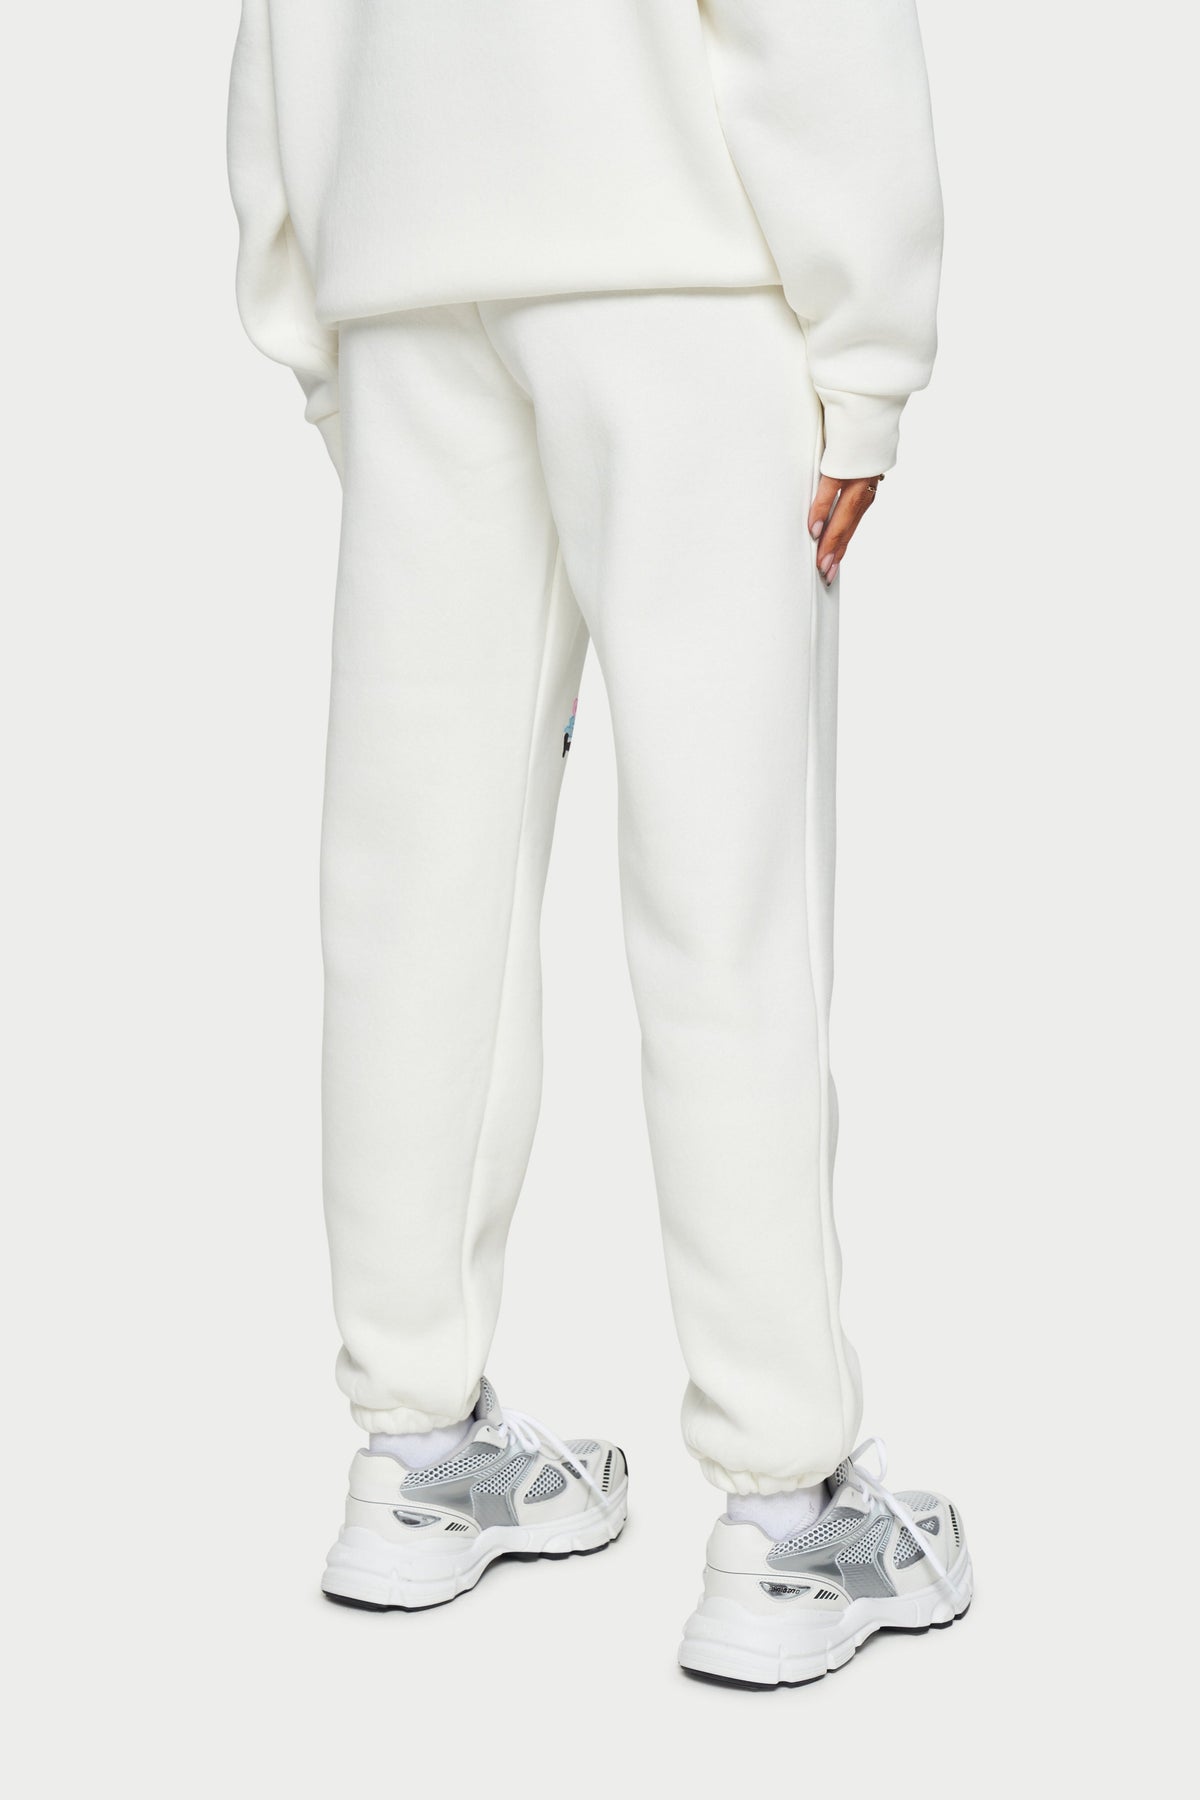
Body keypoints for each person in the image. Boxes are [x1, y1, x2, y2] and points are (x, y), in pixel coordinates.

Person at [228, 0, 972, 1687]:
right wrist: (870, 351)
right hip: (677, 269)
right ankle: (785, 1512)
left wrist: (310, 310)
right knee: (725, 894)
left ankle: (414, 1453)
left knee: (418, 881)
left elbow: (274, 37)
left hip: (405, 275)